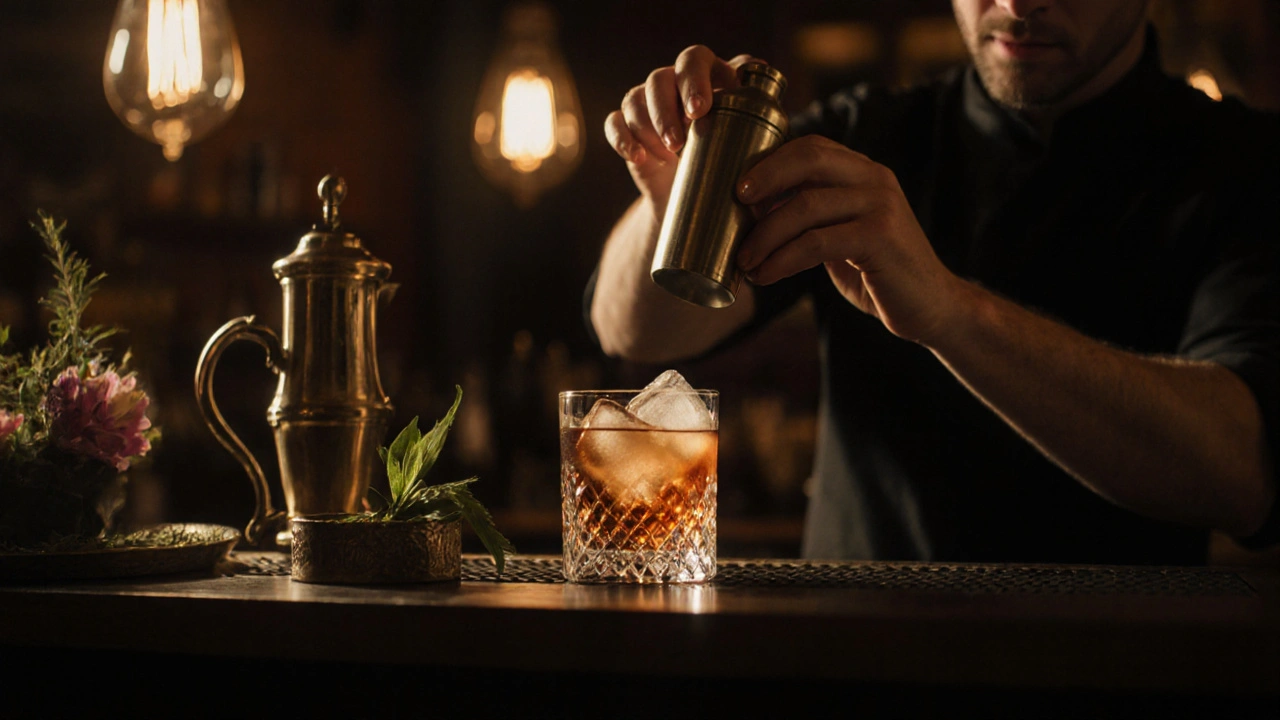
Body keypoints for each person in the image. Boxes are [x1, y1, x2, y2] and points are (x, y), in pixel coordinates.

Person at [586, 0, 1279, 564]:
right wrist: (673, 202)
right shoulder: (865, 130)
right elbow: (634, 331)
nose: (1016, 3)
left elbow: (1244, 475)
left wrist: (949, 312)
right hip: (849, 667)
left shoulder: (1246, 167)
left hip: (1107, 673)